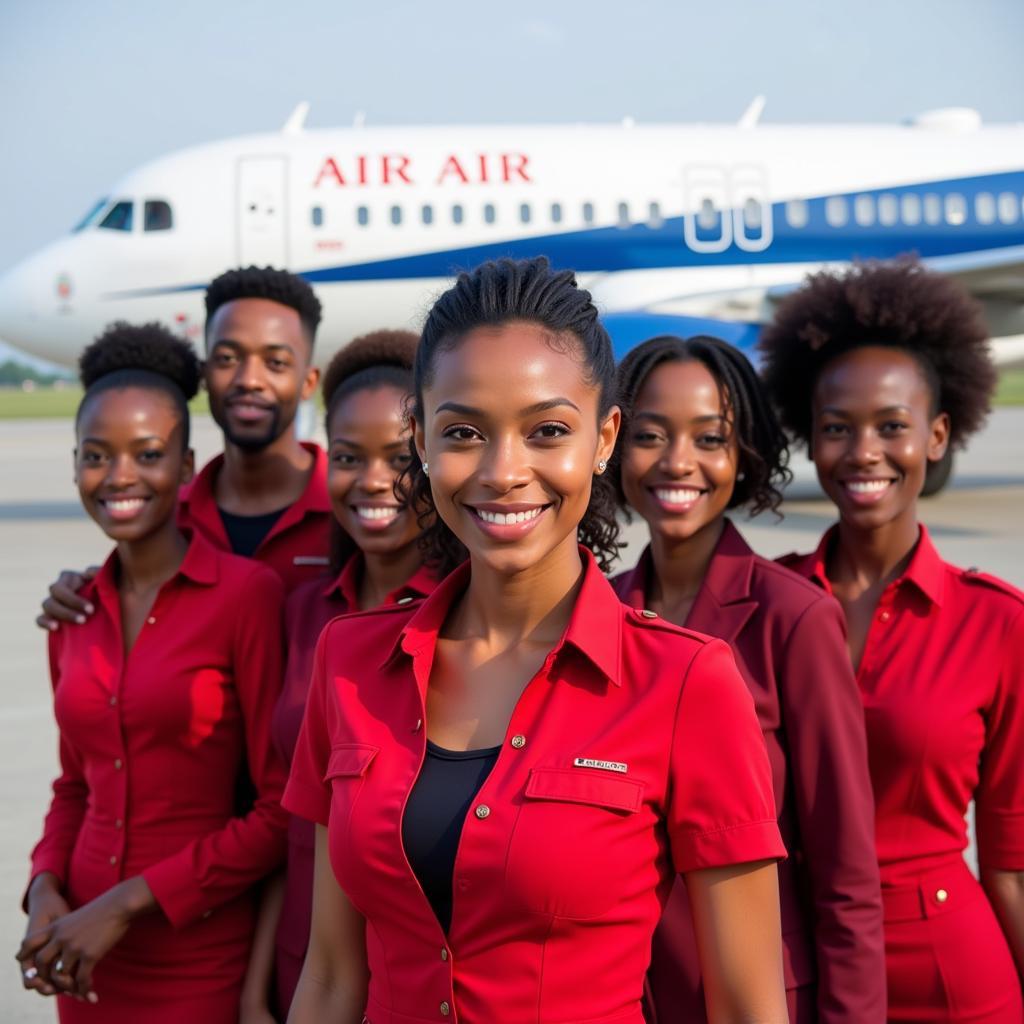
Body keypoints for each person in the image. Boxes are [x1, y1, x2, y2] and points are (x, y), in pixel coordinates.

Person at [283, 257, 790, 1024]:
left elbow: (749, 1007)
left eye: (547, 430)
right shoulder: (349, 664)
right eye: (462, 433)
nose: (502, 471)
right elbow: (328, 977)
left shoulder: (687, 683)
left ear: (604, 437)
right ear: (418, 437)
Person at [759, 260, 1024, 1023]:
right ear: (811, 439)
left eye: (892, 427)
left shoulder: (998, 623)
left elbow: (1010, 864)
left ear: (938, 435)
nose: (863, 452)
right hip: (792, 960)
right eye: (837, 428)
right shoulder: (766, 606)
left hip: (949, 975)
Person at [609, 334, 885, 1023]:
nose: (678, 462)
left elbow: (846, 872)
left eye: (710, 439)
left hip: (758, 1001)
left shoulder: (794, 618)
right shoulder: (596, 613)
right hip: (622, 998)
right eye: (650, 435)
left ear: (746, 455)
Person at [17, 323, 289, 1022]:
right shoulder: (75, 611)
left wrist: (126, 903)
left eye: (147, 454)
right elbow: (73, 784)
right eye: (96, 456)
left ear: (186, 463)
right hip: (83, 954)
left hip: (194, 952)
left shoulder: (245, 596)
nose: (119, 478)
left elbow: (275, 811)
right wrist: (45, 889)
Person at [242, 330, 451, 1020]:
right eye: (348, 457)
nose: (371, 482)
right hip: (307, 973)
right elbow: (282, 819)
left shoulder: (465, 619)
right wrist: (255, 990)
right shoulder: (302, 611)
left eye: (398, 458)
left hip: (412, 981)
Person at [36, 265, 330, 630]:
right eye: (227, 358)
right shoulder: (168, 512)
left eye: (276, 363)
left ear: (308, 381)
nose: (249, 380)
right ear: (205, 374)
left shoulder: (351, 508)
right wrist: (84, 591)